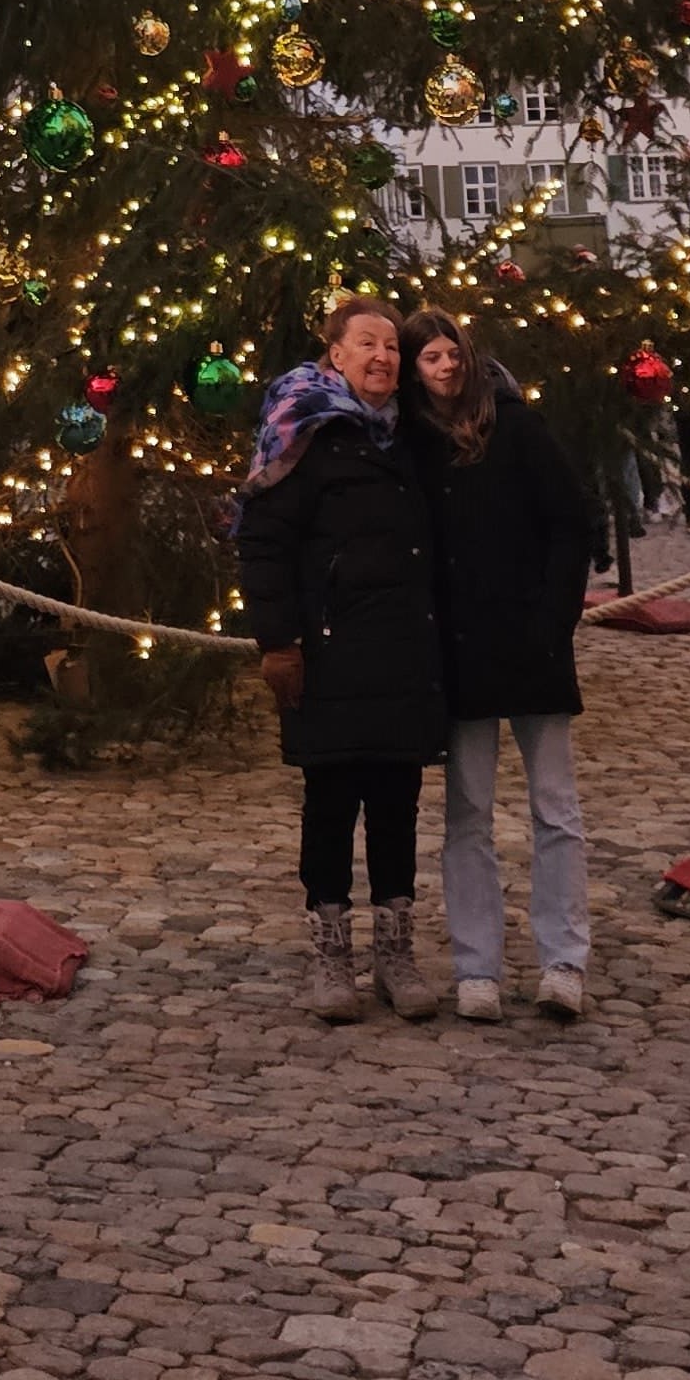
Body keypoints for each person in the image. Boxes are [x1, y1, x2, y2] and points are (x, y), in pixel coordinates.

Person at [233, 292, 449, 1024]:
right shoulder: (305, 432)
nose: (382, 357)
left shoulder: (414, 436)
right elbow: (264, 541)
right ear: (335, 356)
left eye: (391, 346)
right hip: (328, 651)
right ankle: (331, 953)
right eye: (366, 344)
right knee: (330, 805)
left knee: (397, 804)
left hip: (402, 650)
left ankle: (395, 952)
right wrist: (279, 642)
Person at [398, 307, 592, 1024]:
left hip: (531, 639)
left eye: (453, 353)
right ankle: (475, 965)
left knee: (555, 809)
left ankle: (563, 961)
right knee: (468, 813)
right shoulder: (412, 443)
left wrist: (554, 618)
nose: (446, 366)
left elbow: (570, 522)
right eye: (431, 358)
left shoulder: (515, 423)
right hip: (459, 649)